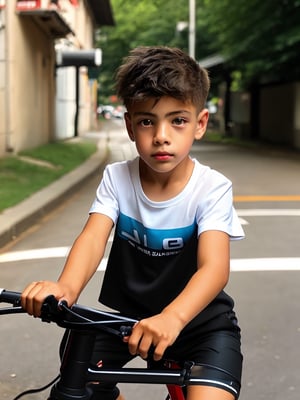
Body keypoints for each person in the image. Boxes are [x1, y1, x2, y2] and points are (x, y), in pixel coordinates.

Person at [21, 46, 245, 400]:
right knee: (77, 384)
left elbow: (214, 269)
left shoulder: (212, 188)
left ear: (199, 124)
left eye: (178, 120)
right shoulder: (117, 178)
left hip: (201, 325)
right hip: (127, 322)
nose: (161, 135)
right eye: (146, 121)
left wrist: (173, 318)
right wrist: (65, 288)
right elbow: (93, 237)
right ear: (129, 125)